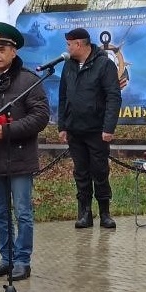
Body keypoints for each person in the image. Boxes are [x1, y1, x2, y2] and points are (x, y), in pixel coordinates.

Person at [0, 22, 51, 281]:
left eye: (2, 49)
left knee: (22, 212)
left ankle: (23, 261)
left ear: (14, 52)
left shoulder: (28, 80)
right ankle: (7, 258)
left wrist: (8, 130)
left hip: (20, 158)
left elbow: (40, 116)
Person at [57, 26, 123, 229]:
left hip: (97, 131)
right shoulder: (68, 66)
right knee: (81, 173)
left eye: (69, 45)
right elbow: (63, 96)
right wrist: (62, 125)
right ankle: (84, 212)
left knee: (100, 171)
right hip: (75, 130)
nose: (67, 49)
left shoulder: (104, 65)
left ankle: (105, 213)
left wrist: (109, 127)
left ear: (78, 44)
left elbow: (113, 97)